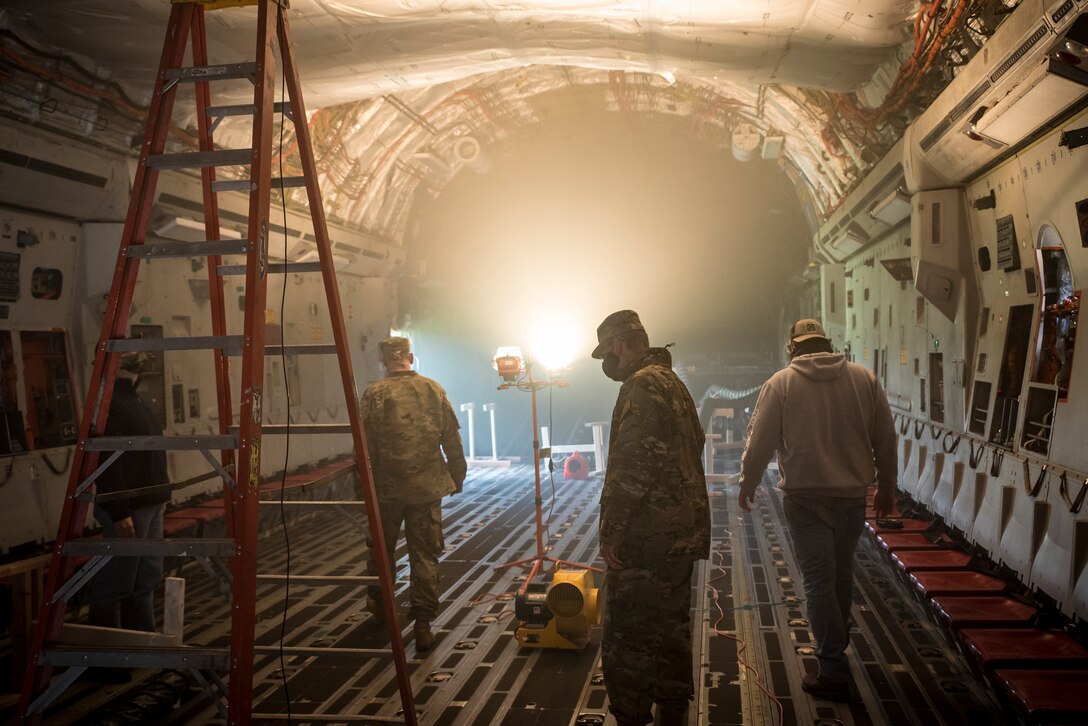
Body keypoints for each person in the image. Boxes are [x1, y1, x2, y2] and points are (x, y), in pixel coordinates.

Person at [737, 318, 897, 702]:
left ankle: (831, 669)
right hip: (852, 498)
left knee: (818, 582)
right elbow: (886, 437)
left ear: (792, 347)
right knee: (841, 576)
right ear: (827, 343)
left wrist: (748, 481)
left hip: (806, 499)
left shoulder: (781, 383)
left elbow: (760, 441)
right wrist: (887, 488)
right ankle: (836, 651)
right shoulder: (864, 379)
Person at [591, 310, 711, 726]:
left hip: (648, 535)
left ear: (619, 345)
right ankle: (673, 710)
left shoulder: (641, 386)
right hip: (680, 532)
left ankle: (632, 714)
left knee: (628, 637)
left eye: (607, 351)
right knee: (671, 629)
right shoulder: (673, 383)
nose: (607, 360)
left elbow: (631, 466)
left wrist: (611, 532)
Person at [360, 336, 467, 651]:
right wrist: (457, 476)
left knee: (381, 552)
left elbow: (362, 447)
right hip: (425, 489)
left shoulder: (374, 394)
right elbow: (451, 437)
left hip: (385, 492)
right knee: (425, 556)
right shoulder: (433, 389)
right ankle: (422, 625)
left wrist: (362, 490)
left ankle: (382, 609)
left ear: (383, 361)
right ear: (411, 356)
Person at [89, 351, 171, 640]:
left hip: (149, 503)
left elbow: (151, 453)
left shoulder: (133, 400)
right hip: (130, 508)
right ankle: (105, 651)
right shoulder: (112, 404)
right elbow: (108, 462)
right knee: (118, 579)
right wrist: (119, 510)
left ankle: (143, 641)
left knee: (146, 576)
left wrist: (162, 494)